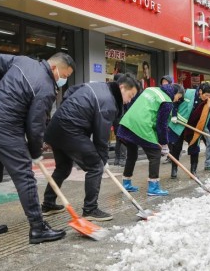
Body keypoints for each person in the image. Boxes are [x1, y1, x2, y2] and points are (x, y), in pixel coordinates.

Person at [0, 52, 74, 244]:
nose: (64, 80)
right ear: (54, 68)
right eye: (65, 75)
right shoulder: (46, 87)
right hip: (6, 129)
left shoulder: (22, 61)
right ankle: (38, 228)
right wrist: (35, 153)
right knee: (25, 177)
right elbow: (35, 126)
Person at [40, 73, 140, 222]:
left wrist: (69, 111)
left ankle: (48, 204)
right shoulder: (108, 102)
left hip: (56, 127)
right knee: (95, 166)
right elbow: (101, 136)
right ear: (122, 87)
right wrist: (103, 159)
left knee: (63, 168)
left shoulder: (99, 85)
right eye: (130, 96)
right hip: (70, 130)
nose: (129, 101)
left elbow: (70, 91)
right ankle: (90, 209)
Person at [117, 83, 185, 196]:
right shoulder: (166, 101)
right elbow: (161, 125)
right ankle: (153, 187)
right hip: (141, 126)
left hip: (127, 123)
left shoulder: (151, 89)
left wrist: (160, 141)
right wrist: (164, 144)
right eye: (179, 97)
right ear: (177, 93)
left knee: (132, 154)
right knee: (155, 154)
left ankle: (126, 183)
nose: (177, 100)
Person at [169, 82, 210, 177]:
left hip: (195, 128)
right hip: (180, 125)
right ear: (200, 91)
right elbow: (175, 103)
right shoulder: (187, 93)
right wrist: (174, 115)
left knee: (195, 148)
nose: (207, 97)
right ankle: (174, 169)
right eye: (206, 95)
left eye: (209, 95)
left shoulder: (209, 102)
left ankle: (193, 171)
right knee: (176, 148)